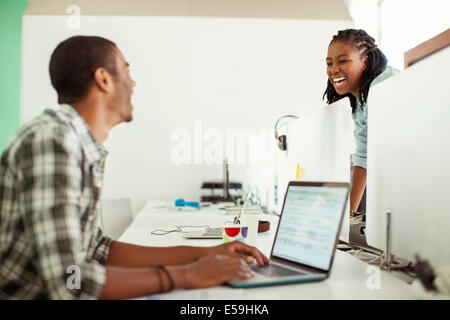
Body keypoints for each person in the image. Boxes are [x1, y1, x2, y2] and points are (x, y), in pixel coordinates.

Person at [0, 35, 269, 300]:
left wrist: (204, 254)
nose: (133, 82)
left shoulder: (77, 144)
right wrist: (186, 275)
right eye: (127, 70)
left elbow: (97, 249)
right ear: (103, 79)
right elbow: (70, 281)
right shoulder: (54, 140)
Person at [323, 29, 398, 217]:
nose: (334, 70)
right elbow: (363, 157)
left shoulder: (384, 86)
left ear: (364, 62)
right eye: (329, 63)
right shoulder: (360, 101)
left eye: (343, 61)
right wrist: (348, 216)